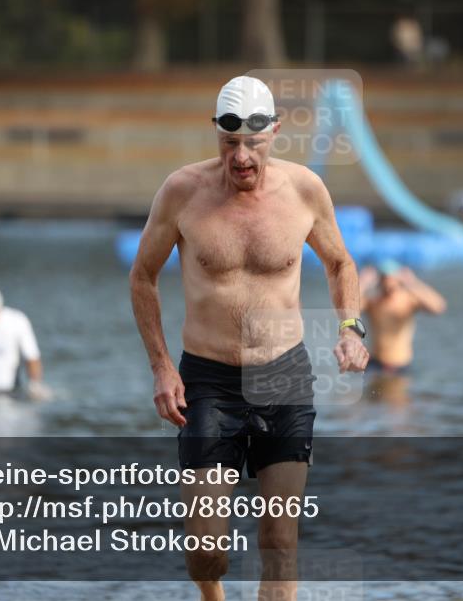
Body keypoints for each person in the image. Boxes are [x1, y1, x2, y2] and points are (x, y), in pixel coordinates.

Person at [129, 75, 369, 601]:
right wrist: (162, 367)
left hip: (284, 375)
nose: (241, 157)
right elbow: (142, 276)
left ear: (275, 133)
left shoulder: (305, 190)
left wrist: (350, 327)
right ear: (215, 132)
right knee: (207, 550)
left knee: (280, 542)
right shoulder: (182, 192)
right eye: (229, 143)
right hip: (209, 381)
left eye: (253, 144)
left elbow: (340, 262)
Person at [360, 260, 446, 378]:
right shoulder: (373, 302)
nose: (388, 283)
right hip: (375, 364)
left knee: (397, 395)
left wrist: (413, 283)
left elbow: (439, 307)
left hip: (400, 365)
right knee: (372, 395)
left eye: (390, 278)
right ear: (379, 280)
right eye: (384, 278)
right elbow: (345, 311)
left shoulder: (407, 300)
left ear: (397, 279)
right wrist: (362, 282)